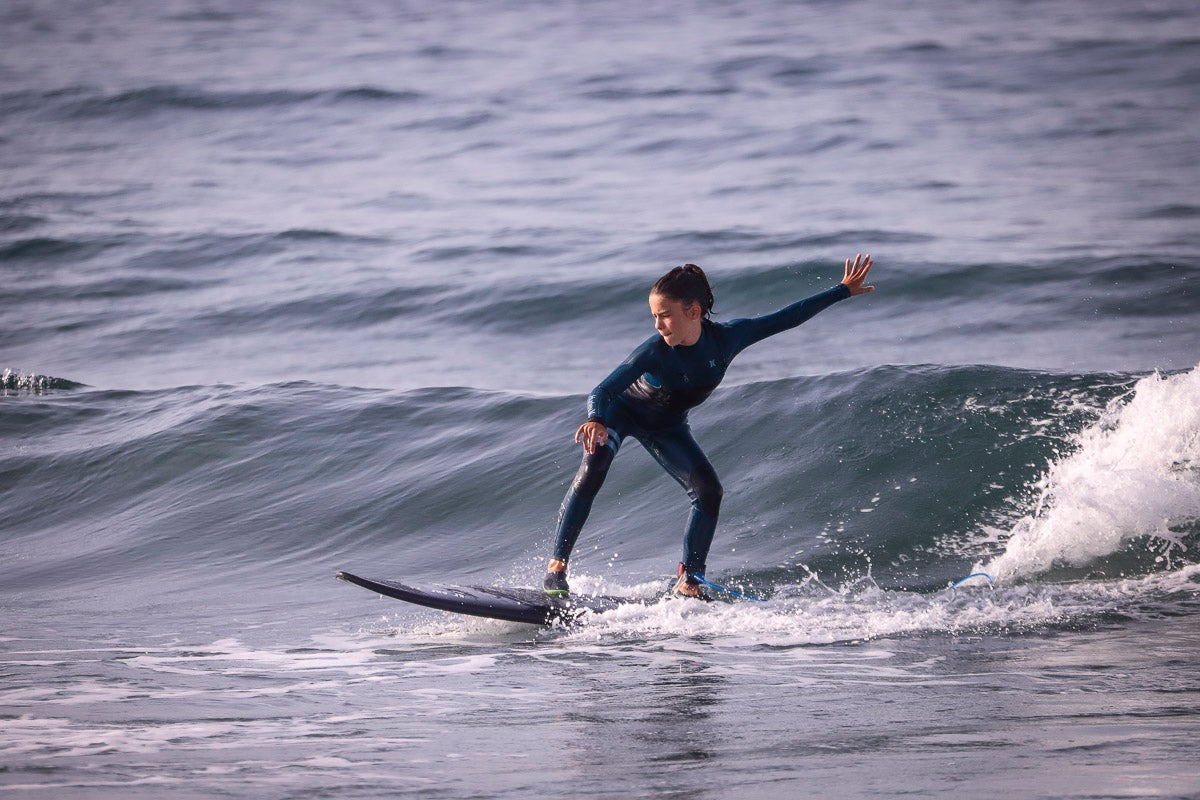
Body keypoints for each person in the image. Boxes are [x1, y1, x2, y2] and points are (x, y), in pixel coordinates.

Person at [543, 254, 876, 599]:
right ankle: (556, 569)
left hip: (667, 426)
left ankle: (690, 581)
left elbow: (786, 318)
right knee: (595, 464)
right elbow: (604, 389)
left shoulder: (729, 338)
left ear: (694, 312)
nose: (658, 325)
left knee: (708, 492)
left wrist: (842, 291)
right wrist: (596, 417)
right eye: (654, 317)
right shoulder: (654, 351)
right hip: (620, 412)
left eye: (665, 315)